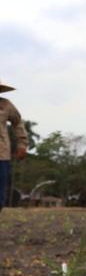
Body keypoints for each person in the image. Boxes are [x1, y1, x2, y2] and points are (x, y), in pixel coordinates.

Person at [0, 77, 28, 212]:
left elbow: (18, 123)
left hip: (1, 155)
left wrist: (22, 144)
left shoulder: (6, 105)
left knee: (0, 197)